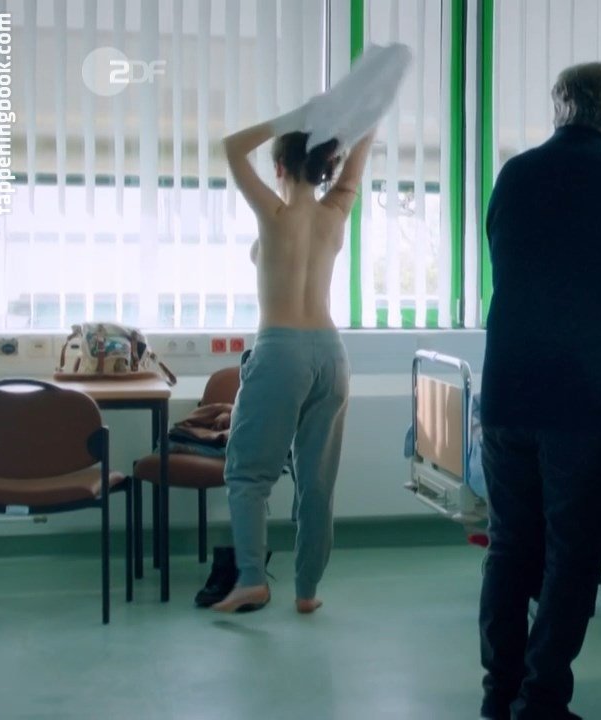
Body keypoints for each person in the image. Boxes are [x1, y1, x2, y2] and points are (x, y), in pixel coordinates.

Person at [478, 62, 601, 719]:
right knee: (571, 554)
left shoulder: (515, 174)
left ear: (559, 108)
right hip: (579, 394)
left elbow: (508, 264)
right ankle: (541, 699)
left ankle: (499, 693)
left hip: (508, 388)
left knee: (511, 547)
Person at [210, 113, 373, 615]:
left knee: (248, 476)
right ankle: (306, 591)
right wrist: (362, 115)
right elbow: (357, 158)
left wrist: (294, 117)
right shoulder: (335, 213)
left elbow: (232, 148)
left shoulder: (274, 214)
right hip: (331, 355)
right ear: (324, 165)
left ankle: (252, 580)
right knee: (317, 484)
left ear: (279, 166)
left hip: (282, 350)